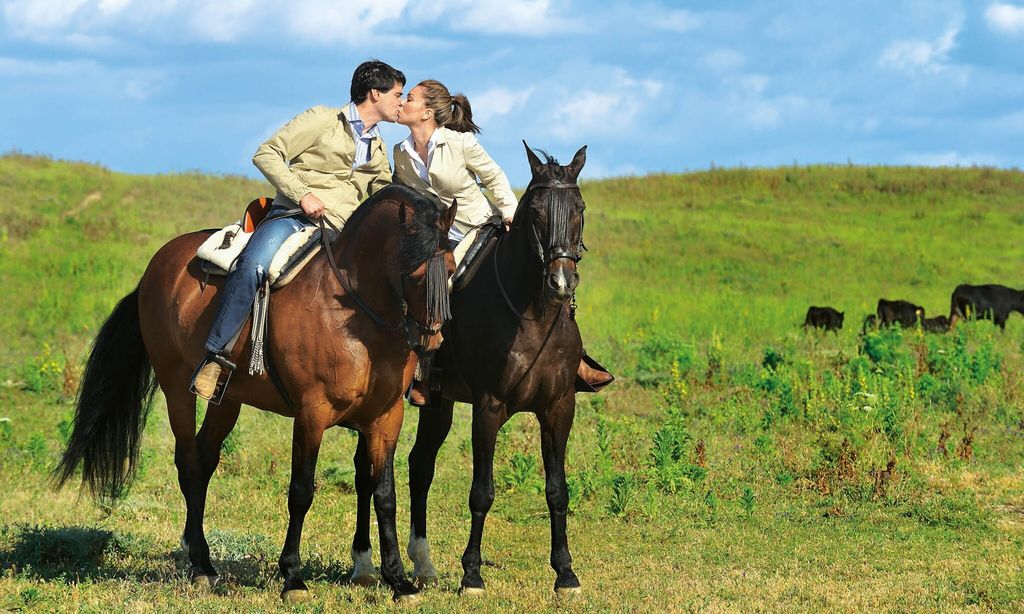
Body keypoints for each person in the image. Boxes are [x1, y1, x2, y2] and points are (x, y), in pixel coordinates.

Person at [192, 60, 406, 400]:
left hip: (342, 230)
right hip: (294, 216)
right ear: (375, 94)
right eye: (397, 94)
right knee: (255, 265)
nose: (401, 102)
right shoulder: (322, 118)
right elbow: (267, 154)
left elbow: (382, 194)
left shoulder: (378, 147)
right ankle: (216, 357)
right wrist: (302, 194)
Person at [392, 80, 612, 405]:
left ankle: (573, 359)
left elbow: (494, 176)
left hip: (474, 226)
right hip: (435, 234)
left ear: (426, 112)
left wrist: (510, 213)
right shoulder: (401, 151)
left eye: (408, 98)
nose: (401, 103)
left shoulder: (460, 143)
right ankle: (423, 367)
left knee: (521, 273)